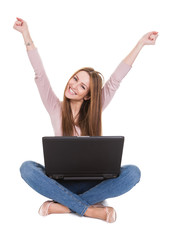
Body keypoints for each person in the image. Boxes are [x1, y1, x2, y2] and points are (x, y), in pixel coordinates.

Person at [13, 17, 158, 223]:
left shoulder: (96, 109)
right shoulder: (55, 107)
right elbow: (40, 74)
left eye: (82, 86)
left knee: (133, 173)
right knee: (27, 168)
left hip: (94, 184)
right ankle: (89, 209)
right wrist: (26, 35)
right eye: (75, 79)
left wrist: (141, 44)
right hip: (62, 183)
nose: (74, 86)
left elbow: (115, 80)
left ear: (88, 95)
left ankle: (64, 205)